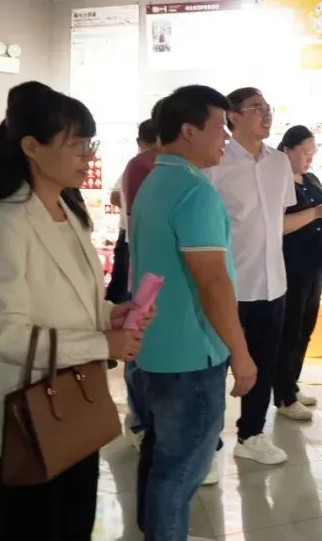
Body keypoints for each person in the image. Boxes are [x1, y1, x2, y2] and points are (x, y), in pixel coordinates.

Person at [0, 81, 147, 540]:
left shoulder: (69, 214)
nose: (87, 156)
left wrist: (109, 315)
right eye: (75, 145)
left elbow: (69, 301)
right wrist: (102, 343)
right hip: (25, 416)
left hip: (75, 408)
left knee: (74, 523)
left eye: (89, 145)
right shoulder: (2, 224)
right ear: (31, 147)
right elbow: (4, 335)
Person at [130, 85, 256, 541]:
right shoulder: (193, 191)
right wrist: (240, 353)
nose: (226, 137)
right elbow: (212, 282)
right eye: (220, 127)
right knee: (181, 471)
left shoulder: (154, 182)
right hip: (190, 355)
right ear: (188, 130)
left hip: (153, 348)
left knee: (159, 459)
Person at [204, 87, 295, 465]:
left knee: (263, 363)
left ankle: (252, 434)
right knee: (215, 367)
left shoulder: (280, 163)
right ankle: (207, 445)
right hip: (229, 283)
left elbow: (279, 219)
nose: (266, 114)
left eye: (267, 107)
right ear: (233, 116)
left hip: (273, 282)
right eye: (256, 108)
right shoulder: (216, 162)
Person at [275, 126, 322, 420]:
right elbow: (279, 224)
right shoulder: (277, 181)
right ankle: (283, 394)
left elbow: (318, 216)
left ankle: (291, 383)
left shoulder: (311, 179)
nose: (309, 158)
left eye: (312, 153)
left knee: (306, 328)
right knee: (289, 330)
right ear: (287, 150)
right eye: (305, 152)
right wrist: (317, 213)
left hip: (316, 260)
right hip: (290, 264)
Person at [118, 111, 163, 453]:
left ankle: (151, 420)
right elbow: (138, 225)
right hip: (146, 268)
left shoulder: (185, 168)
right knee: (139, 343)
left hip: (165, 273)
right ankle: (138, 421)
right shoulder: (142, 165)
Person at [105, 119, 159, 304]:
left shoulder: (140, 164)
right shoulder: (140, 165)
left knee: (126, 287)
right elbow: (115, 197)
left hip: (132, 236)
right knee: (131, 290)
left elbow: (114, 197)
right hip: (136, 237)